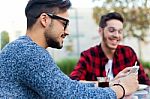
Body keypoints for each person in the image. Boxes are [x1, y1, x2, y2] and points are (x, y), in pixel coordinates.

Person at [0, 0, 139, 98]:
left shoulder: (24, 48)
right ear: (45, 19)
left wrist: (110, 84)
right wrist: (122, 89)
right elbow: (70, 94)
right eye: (64, 23)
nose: (67, 31)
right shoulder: (28, 52)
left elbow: (67, 86)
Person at [70, 12, 150, 85]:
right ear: (100, 31)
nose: (116, 35)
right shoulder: (88, 56)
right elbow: (74, 82)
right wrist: (109, 84)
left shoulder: (128, 53)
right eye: (112, 30)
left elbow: (145, 81)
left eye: (120, 31)